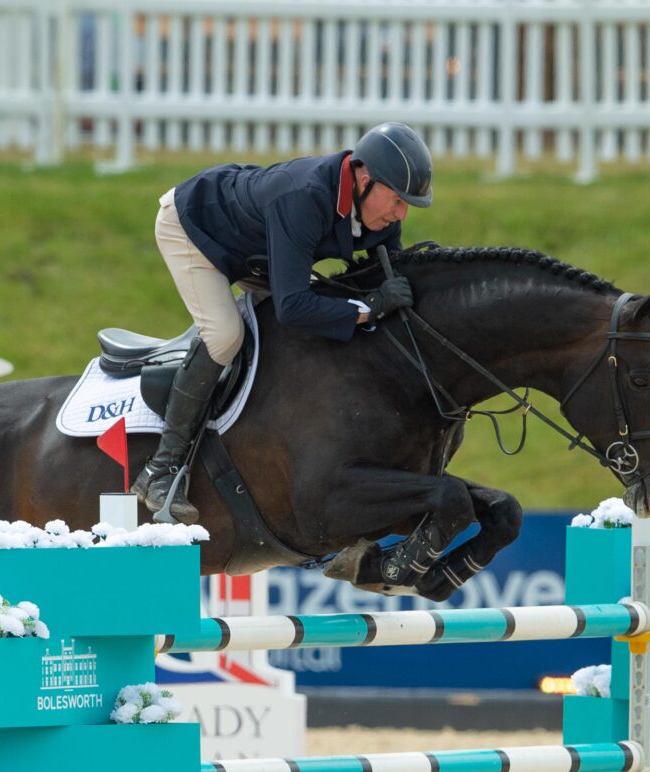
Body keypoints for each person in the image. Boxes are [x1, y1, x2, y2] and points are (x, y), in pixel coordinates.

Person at [136, 122, 435, 523]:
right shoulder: (307, 196)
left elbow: (385, 282)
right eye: (397, 200)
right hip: (194, 231)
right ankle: (163, 466)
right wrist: (367, 308)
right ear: (364, 178)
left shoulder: (376, 211)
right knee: (226, 336)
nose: (401, 214)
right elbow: (293, 307)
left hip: (256, 248)